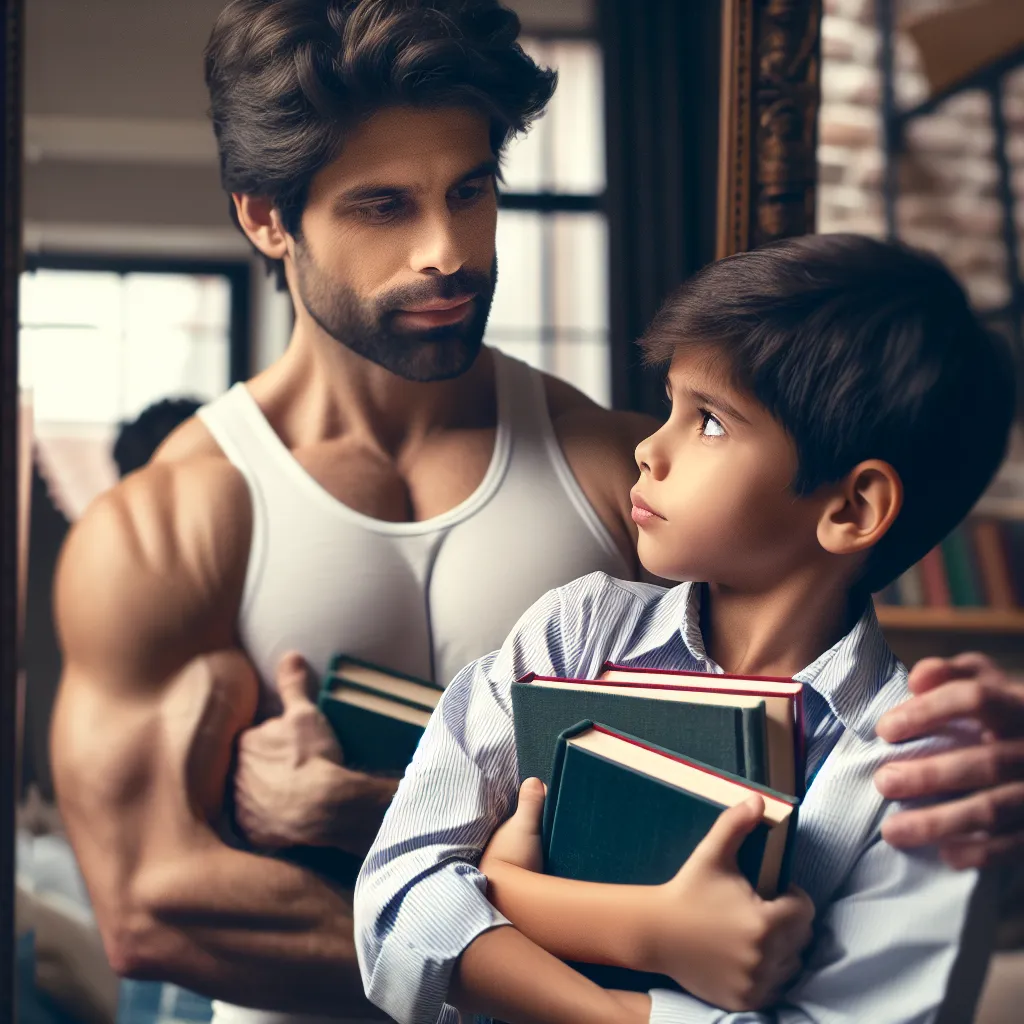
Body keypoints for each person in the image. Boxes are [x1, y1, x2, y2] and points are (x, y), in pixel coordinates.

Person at [46, 0, 1024, 1023]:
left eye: (470, 191)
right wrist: (542, 935)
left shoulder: (619, 471)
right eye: (383, 205)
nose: (446, 251)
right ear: (265, 216)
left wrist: (383, 830)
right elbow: (154, 910)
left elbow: (798, 750)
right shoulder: (167, 526)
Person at [352, 234, 1016, 1024]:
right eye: (670, 402)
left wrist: (515, 902)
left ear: (852, 509)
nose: (647, 447)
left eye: (708, 422)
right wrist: (653, 937)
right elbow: (394, 899)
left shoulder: (920, 772)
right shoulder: (577, 630)